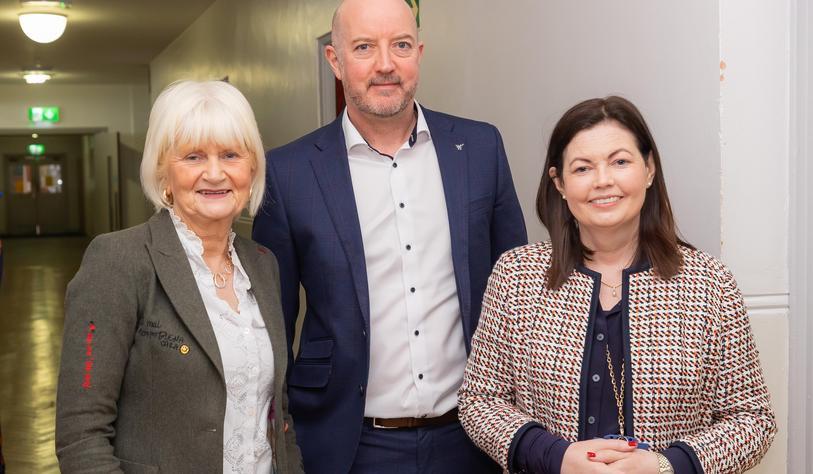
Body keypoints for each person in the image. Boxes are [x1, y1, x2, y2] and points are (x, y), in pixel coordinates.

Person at [251, 0, 527, 471]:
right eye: (364, 47)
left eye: (400, 45)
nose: (385, 64)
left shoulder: (480, 148)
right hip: (347, 444)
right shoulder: (288, 172)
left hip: (471, 438)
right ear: (335, 60)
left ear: (419, 53)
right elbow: (272, 319)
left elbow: (517, 291)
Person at [458, 96, 776, 474]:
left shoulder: (709, 283)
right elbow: (480, 400)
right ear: (559, 183)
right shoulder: (516, 275)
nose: (603, 181)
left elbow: (753, 420)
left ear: (649, 169)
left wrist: (665, 465)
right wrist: (556, 457)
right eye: (582, 168)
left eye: (620, 162)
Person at [56, 80, 303, 473]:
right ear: (163, 171)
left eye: (231, 155)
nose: (215, 173)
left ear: (252, 167)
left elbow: (278, 414)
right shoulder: (119, 261)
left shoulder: (262, 264)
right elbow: (81, 436)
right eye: (193, 156)